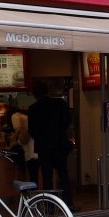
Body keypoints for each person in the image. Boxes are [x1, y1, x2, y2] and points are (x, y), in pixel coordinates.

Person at [27, 80, 74, 208]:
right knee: (63, 175)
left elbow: (31, 130)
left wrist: (41, 138)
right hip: (59, 144)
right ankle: (68, 204)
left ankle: (49, 207)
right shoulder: (59, 103)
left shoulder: (33, 108)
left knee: (47, 177)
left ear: (34, 94)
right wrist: (59, 131)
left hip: (43, 148)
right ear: (47, 90)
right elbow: (68, 120)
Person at [10, 106, 38, 183]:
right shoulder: (29, 117)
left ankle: (31, 190)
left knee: (32, 176)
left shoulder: (15, 116)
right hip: (37, 150)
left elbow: (21, 133)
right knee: (36, 176)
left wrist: (14, 138)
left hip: (30, 151)